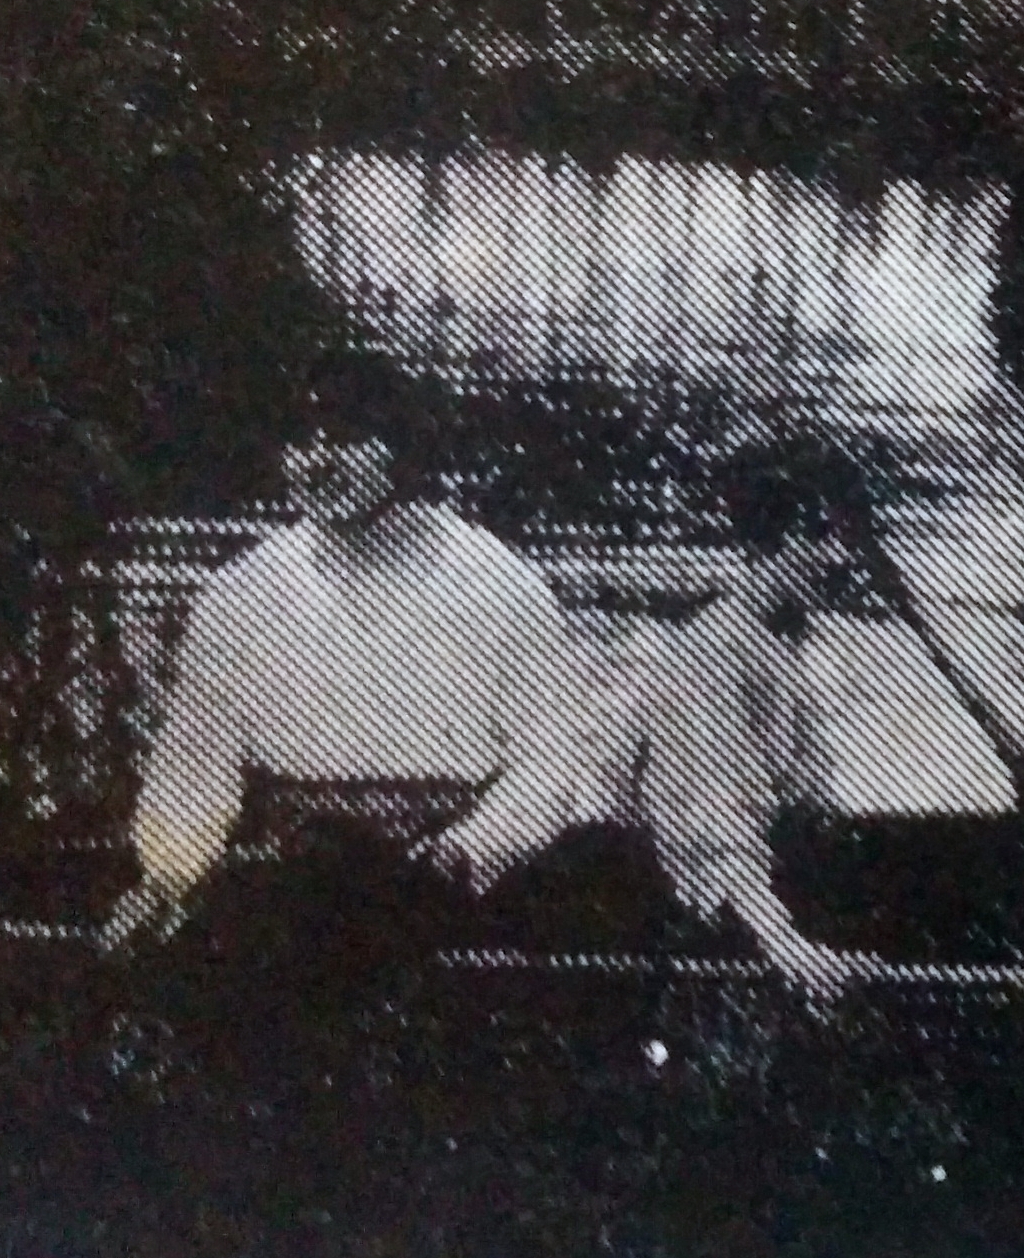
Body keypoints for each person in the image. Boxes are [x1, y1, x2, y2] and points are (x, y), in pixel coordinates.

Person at [100, 354, 584, 955]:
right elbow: (199, 758)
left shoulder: (500, 586)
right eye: (302, 441)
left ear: (402, 449)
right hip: (290, 898)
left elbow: (551, 769)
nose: (321, 461)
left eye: (350, 439)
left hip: (457, 894)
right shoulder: (241, 591)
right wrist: (169, 873)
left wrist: (465, 852)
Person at [428, 438, 886, 1007]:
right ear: (778, 538)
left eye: (847, 535)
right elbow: (711, 827)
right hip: (656, 921)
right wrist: (789, 950)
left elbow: (802, 805)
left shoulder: (785, 647)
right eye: (824, 535)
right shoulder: (714, 652)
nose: (844, 557)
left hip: (734, 903)